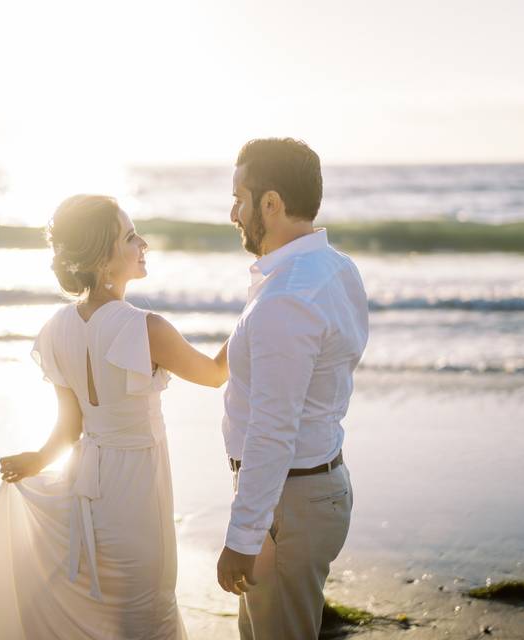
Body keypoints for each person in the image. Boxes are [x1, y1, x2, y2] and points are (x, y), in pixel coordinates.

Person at [0, 194, 229, 640]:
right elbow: (215, 374)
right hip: (136, 494)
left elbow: (71, 428)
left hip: (88, 488)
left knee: (110, 615)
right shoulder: (148, 329)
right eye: (129, 237)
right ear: (103, 262)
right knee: (150, 615)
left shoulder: (55, 329)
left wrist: (36, 460)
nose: (142, 242)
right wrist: (253, 321)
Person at [215, 138, 369, 640]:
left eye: (239, 197)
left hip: (288, 501)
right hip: (310, 487)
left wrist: (243, 534)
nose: (233, 211)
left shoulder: (287, 297)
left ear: (271, 203)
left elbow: (273, 429)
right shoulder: (334, 268)